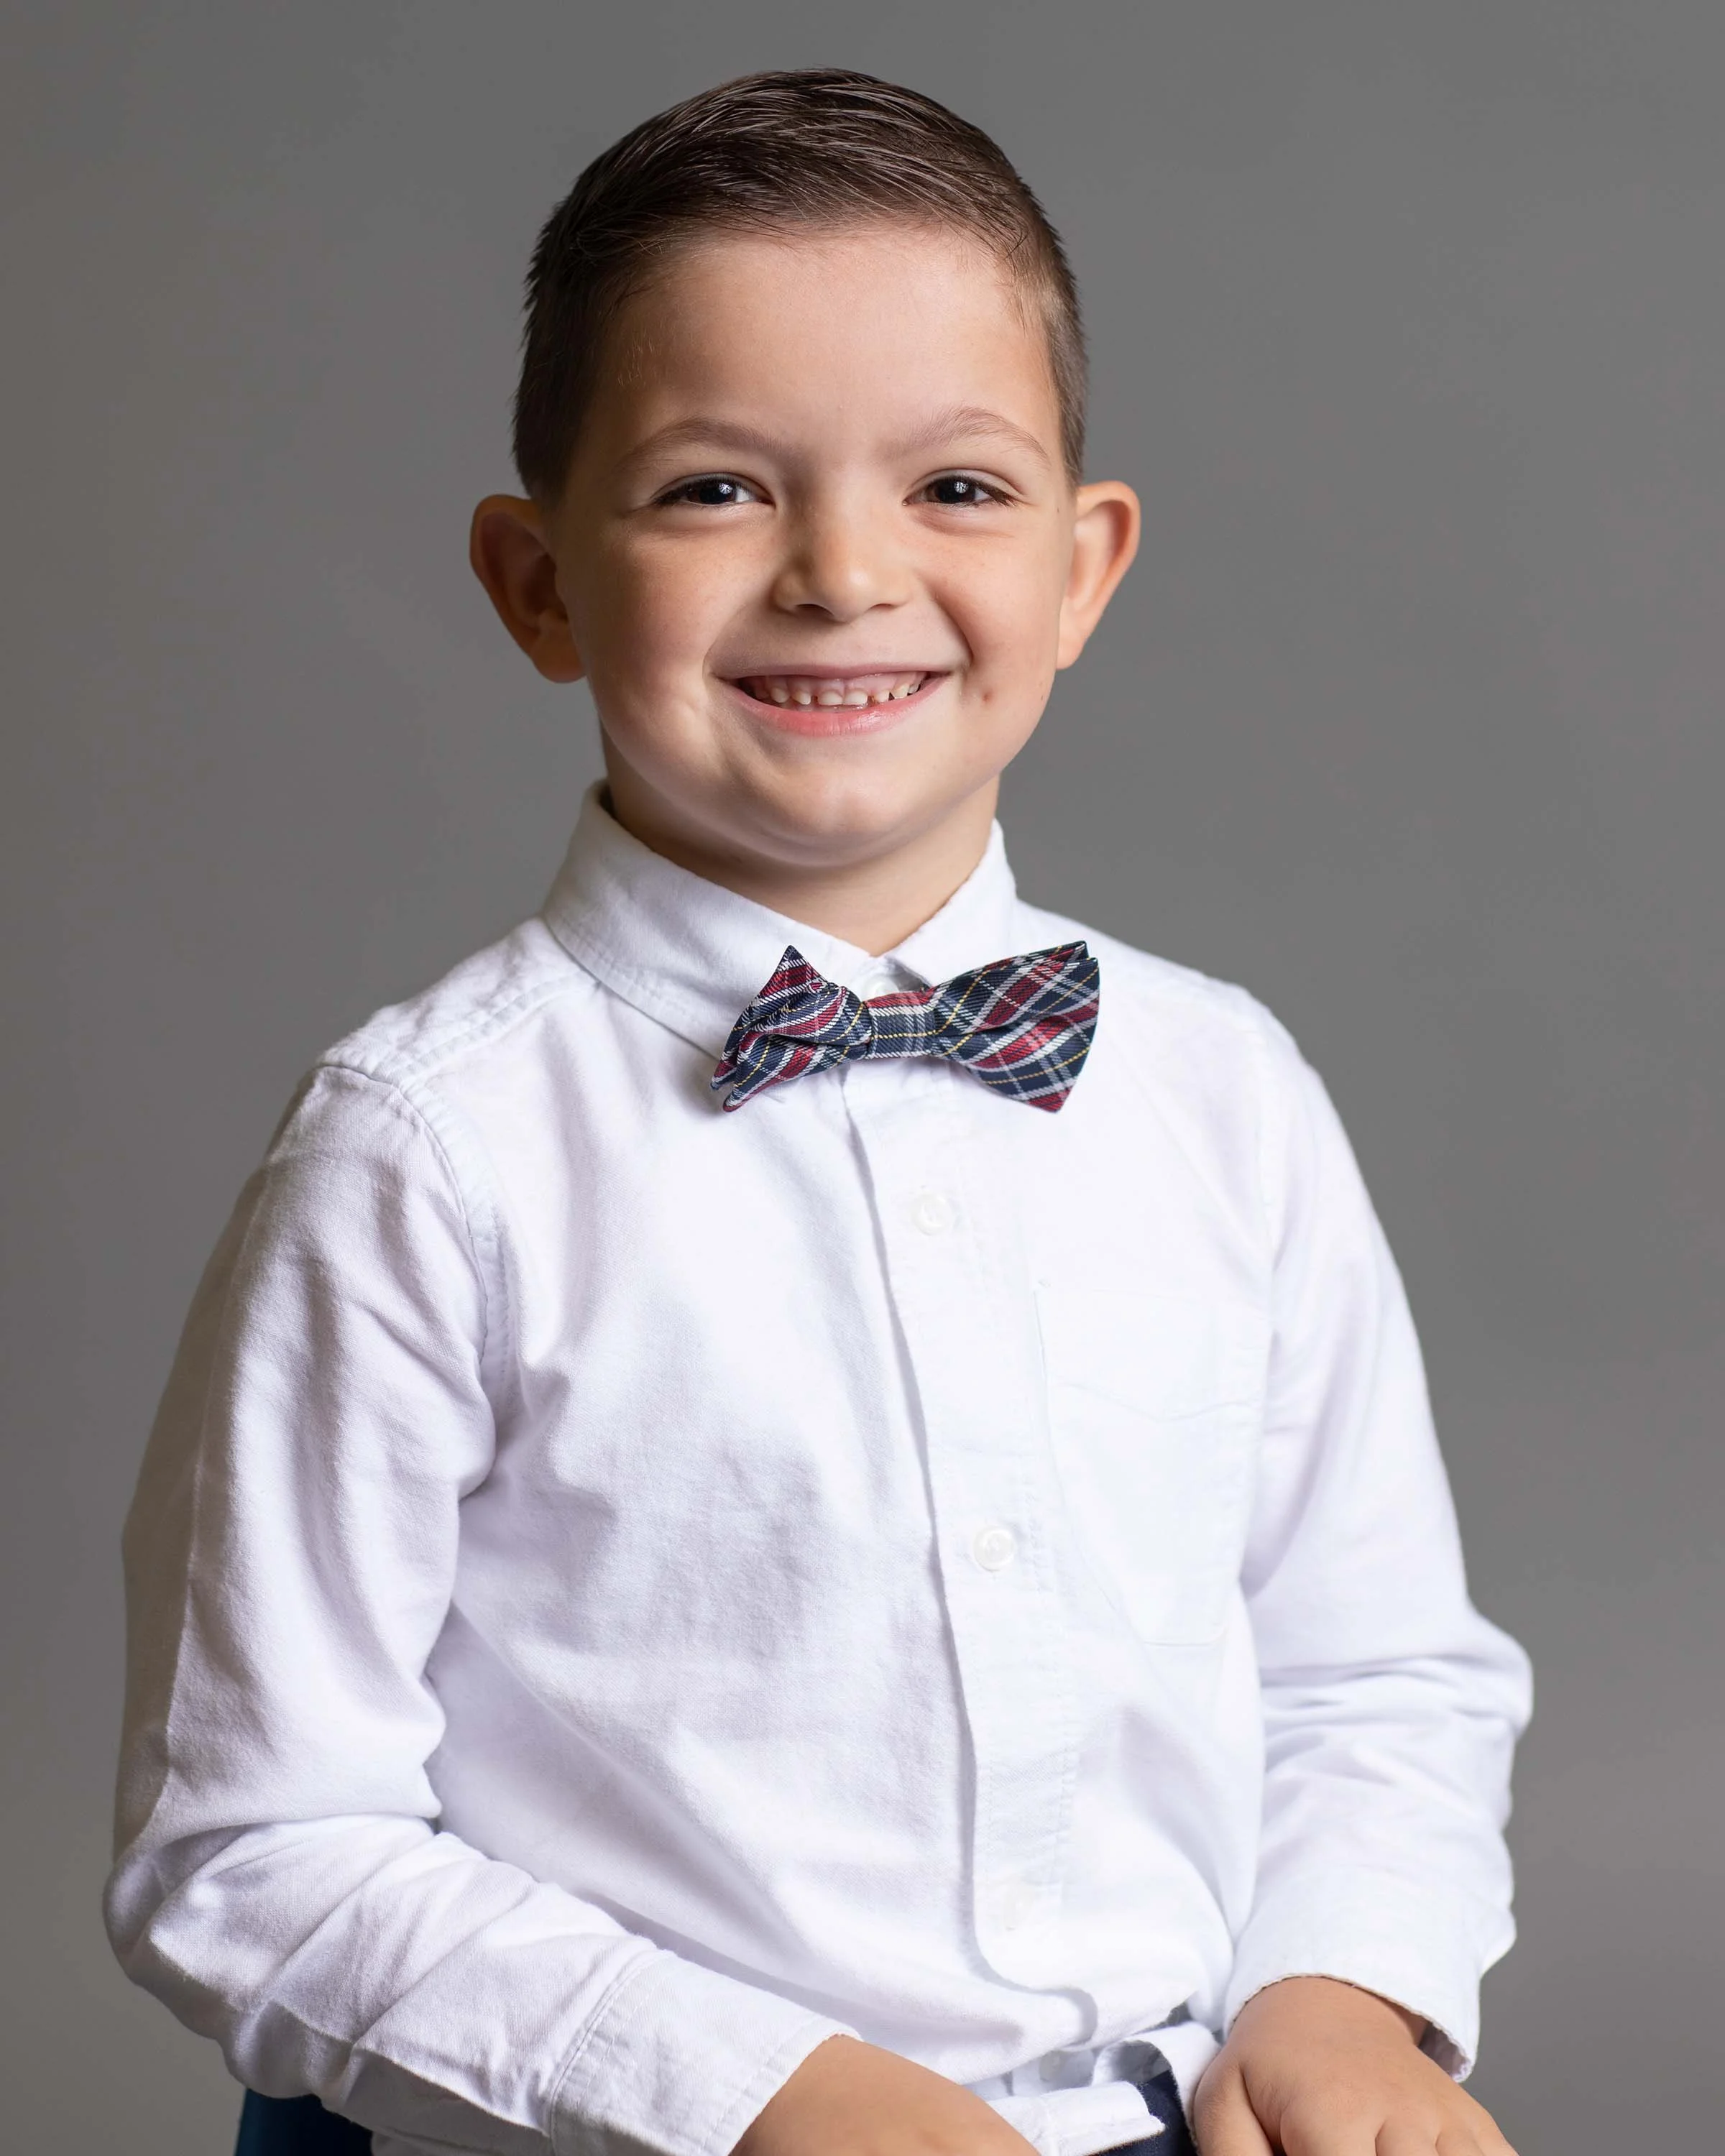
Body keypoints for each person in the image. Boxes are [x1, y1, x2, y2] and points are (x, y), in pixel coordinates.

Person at [106, 68, 1532, 2156]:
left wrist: (1346, 1992)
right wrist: (764, 2095)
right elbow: (255, 1843)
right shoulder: (425, 1155)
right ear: (537, 585)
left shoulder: (1223, 1092)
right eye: (712, 490)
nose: (842, 573)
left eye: (955, 487)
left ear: (1082, 566)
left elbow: (1373, 1667)